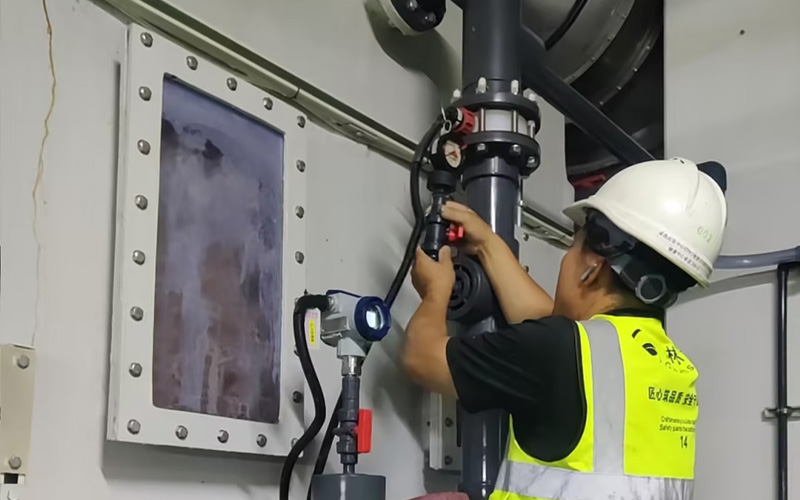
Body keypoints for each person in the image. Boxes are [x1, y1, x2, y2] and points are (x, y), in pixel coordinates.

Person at [402, 158, 728, 500]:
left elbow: (422, 358)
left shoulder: (559, 351)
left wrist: (435, 291)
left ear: (593, 266)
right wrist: (487, 244)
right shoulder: (671, 368)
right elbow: (554, 330)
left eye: (572, 246)